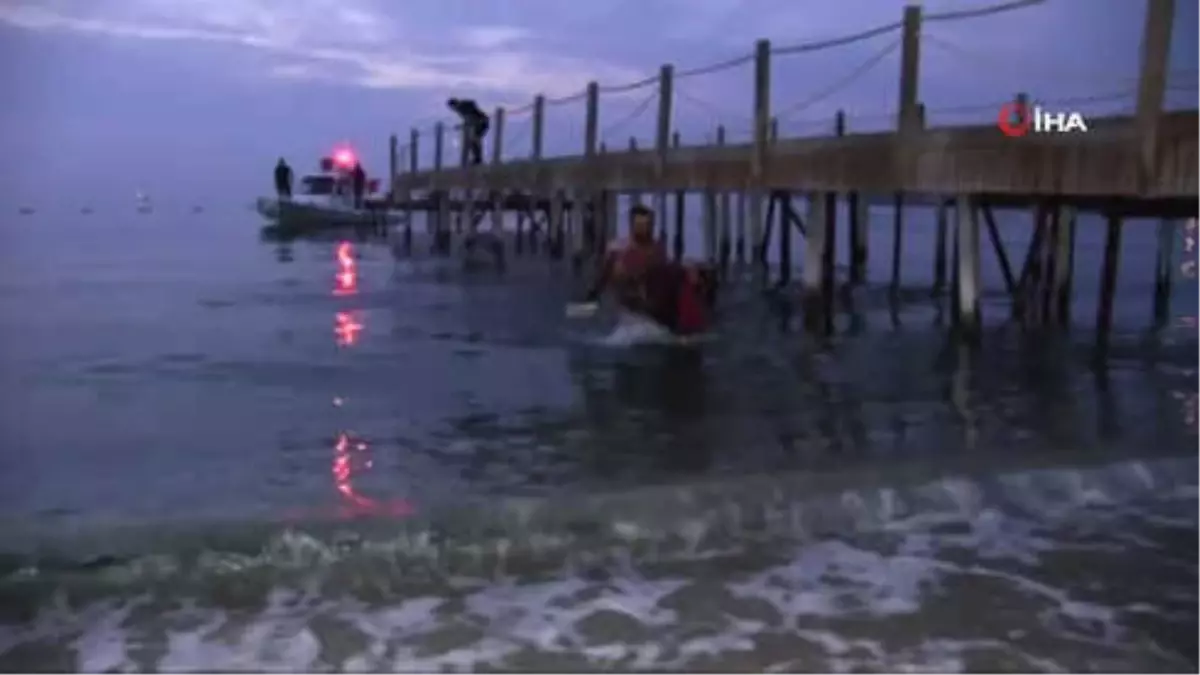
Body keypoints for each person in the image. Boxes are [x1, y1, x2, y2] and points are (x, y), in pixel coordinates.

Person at [585, 204, 719, 336]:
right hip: (629, 304)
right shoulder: (617, 249)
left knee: (688, 273)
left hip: (652, 304)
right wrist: (593, 296)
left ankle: (695, 318)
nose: (645, 229)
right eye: (641, 225)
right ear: (632, 225)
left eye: (648, 225)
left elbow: (664, 276)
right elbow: (602, 277)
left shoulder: (657, 249)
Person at [447, 98, 489, 165]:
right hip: (479, 123)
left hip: (480, 124)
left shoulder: (461, 108)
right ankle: (477, 159)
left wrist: (465, 125)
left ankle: (478, 159)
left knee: (475, 141)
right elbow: (468, 119)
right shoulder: (464, 107)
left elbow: (471, 118)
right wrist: (464, 125)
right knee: (474, 141)